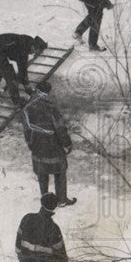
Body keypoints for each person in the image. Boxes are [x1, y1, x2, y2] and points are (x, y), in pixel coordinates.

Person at [23, 79, 77, 207]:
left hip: (38, 147)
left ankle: (45, 201)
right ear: (48, 92)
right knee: (59, 172)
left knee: (42, 174)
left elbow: (26, 129)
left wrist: (31, 144)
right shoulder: (50, 107)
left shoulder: (28, 107)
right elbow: (60, 128)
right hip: (53, 145)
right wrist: (67, 144)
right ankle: (62, 200)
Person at [0, 33, 47, 105]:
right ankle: (16, 101)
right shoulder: (22, 49)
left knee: (0, 68)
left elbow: (22, 69)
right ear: (33, 46)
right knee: (10, 74)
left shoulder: (26, 43)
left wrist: (26, 85)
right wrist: (27, 86)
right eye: (36, 51)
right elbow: (22, 70)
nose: (34, 53)